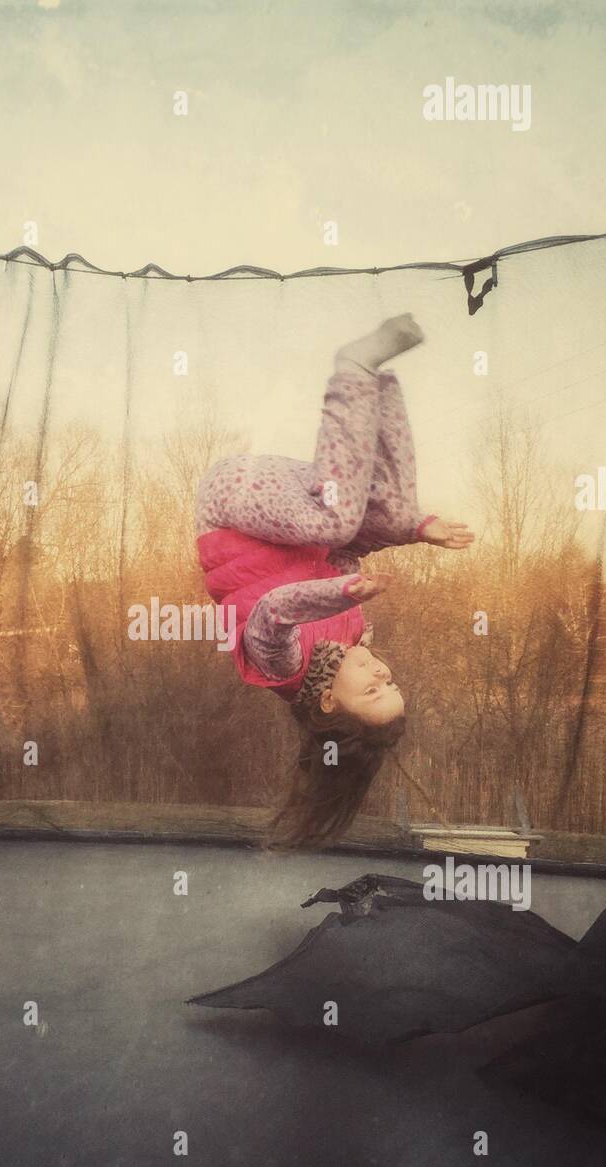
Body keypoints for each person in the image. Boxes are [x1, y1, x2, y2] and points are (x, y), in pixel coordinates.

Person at [193, 315, 474, 848]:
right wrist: (415, 532)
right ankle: (377, 386)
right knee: (391, 516)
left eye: (373, 689)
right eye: (392, 682)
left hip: (229, 503)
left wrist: (339, 593)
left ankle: (354, 369)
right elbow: (347, 549)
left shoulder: (283, 668)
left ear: (328, 705)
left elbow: (273, 610)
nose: (383, 672)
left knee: (337, 520)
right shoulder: (348, 635)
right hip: (283, 505)